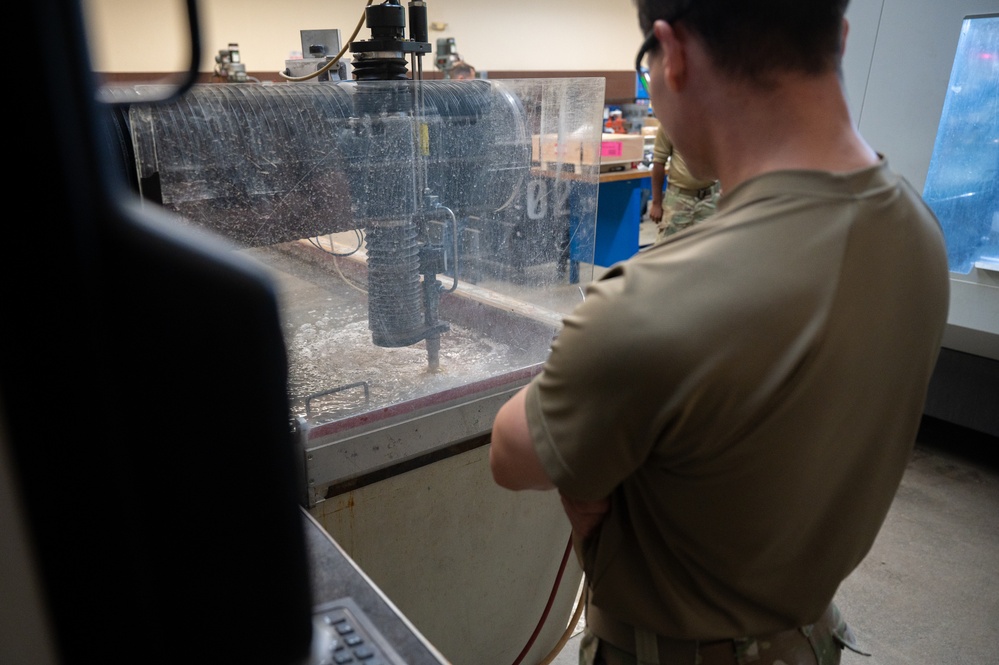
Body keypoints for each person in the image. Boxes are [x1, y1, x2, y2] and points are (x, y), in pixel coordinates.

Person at [489, 1, 950, 664]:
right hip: (810, 641)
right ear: (840, 38)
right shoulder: (917, 232)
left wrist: (591, 455)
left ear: (669, 54)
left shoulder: (652, 303)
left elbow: (511, 451)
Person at [648, 124, 719, 243]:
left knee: (708, 248)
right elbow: (658, 162)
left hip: (710, 199)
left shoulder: (715, 122)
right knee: (668, 249)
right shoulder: (671, 122)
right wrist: (656, 203)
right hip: (679, 199)